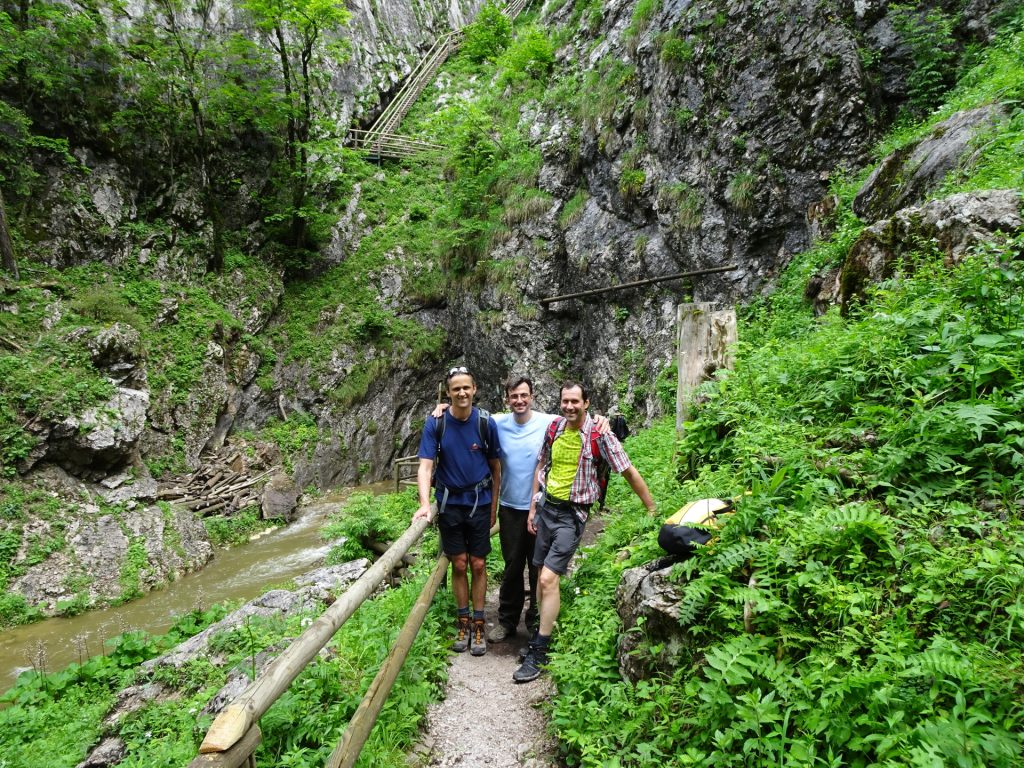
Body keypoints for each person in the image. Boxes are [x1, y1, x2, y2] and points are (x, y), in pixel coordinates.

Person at [432, 377, 611, 644]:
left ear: (532, 396)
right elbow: (465, 412)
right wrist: (444, 407)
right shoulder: (496, 423)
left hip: (543, 507)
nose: (519, 400)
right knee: (513, 565)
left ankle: (536, 622)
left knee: (538, 566)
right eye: (514, 396)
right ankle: (507, 621)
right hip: (509, 507)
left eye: (524, 395)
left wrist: (600, 418)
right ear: (507, 399)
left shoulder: (549, 422)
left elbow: (576, 414)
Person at [513, 381, 656, 683]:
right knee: (539, 575)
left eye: (575, 401)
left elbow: (628, 470)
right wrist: (533, 508)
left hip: (571, 516)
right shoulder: (554, 428)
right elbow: (543, 465)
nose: (569, 407)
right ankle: (540, 633)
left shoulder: (600, 434)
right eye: (565, 401)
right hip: (546, 509)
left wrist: (653, 511)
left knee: (549, 578)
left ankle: (541, 649)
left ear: (587, 403)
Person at [413, 366, 502, 657]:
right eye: (456, 389)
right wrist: (425, 504)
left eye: (466, 388)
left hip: (479, 502)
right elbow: (426, 467)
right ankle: (463, 620)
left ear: (474, 389)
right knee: (459, 564)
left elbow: (495, 468)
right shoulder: (435, 423)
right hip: (450, 504)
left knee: (478, 564)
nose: (462, 393)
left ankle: (479, 622)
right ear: (448, 393)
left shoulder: (486, 423)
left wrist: (495, 506)